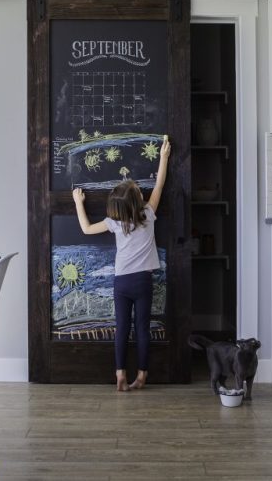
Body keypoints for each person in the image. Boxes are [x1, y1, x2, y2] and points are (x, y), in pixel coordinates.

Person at [72, 137, 171, 392]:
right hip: (143, 281)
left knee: (122, 328)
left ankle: (119, 374)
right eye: (139, 190)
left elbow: (85, 228)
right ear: (138, 200)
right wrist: (163, 158)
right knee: (142, 329)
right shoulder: (148, 214)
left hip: (122, 282)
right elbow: (160, 184)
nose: (141, 189)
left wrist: (78, 203)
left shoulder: (115, 222)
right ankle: (142, 375)